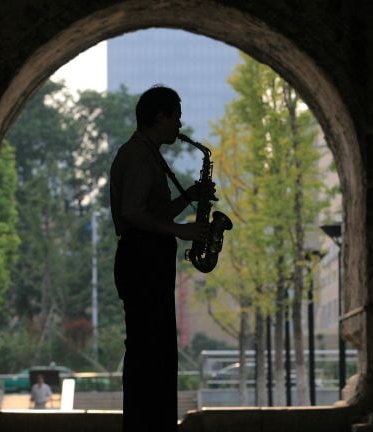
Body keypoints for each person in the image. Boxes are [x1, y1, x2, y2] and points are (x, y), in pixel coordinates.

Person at [110, 85, 211, 431]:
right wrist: (182, 231)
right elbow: (133, 213)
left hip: (146, 261)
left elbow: (154, 213)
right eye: (176, 116)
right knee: (149, 354)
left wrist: (191, 197)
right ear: (160, 117)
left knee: (156, 351)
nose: (179, 125)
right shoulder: (138, 155)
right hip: (143, 262)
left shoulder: (145, 153)